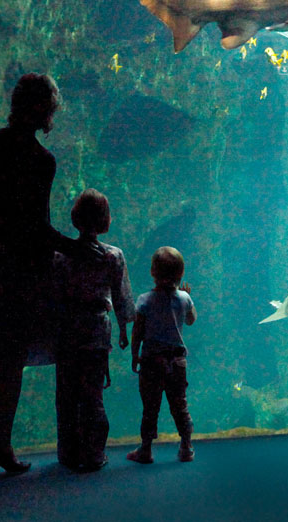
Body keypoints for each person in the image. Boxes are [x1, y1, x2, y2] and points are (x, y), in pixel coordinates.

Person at [0, 73, 74, 478]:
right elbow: (36, 226)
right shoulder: (41, 161)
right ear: (44, 110)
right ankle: (1, 445)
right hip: (23, 273)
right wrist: (75, 247)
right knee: (13, 359)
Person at [53, 188, 133, 472]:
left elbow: (54, 295)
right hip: (97, 331)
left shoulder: (60, 255)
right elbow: (122, 298)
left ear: (75, 218)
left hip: (66, 331)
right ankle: (95, 453)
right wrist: (124, 330)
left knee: (66, 394)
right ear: (106, 221)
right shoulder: (113, 256)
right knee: (93, 393)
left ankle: (68, 453)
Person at [126, 246, 197, 464]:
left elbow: (137, 330)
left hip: (151, 362)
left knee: (150, 407)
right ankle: (186, 446)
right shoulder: (184, 298)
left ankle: (146, 450)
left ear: (152, 272)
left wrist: (134, 354)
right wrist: (187, 299)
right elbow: (191, 320)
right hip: (177, 362)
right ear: (181, 273)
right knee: (180, 405)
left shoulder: (144, 300)